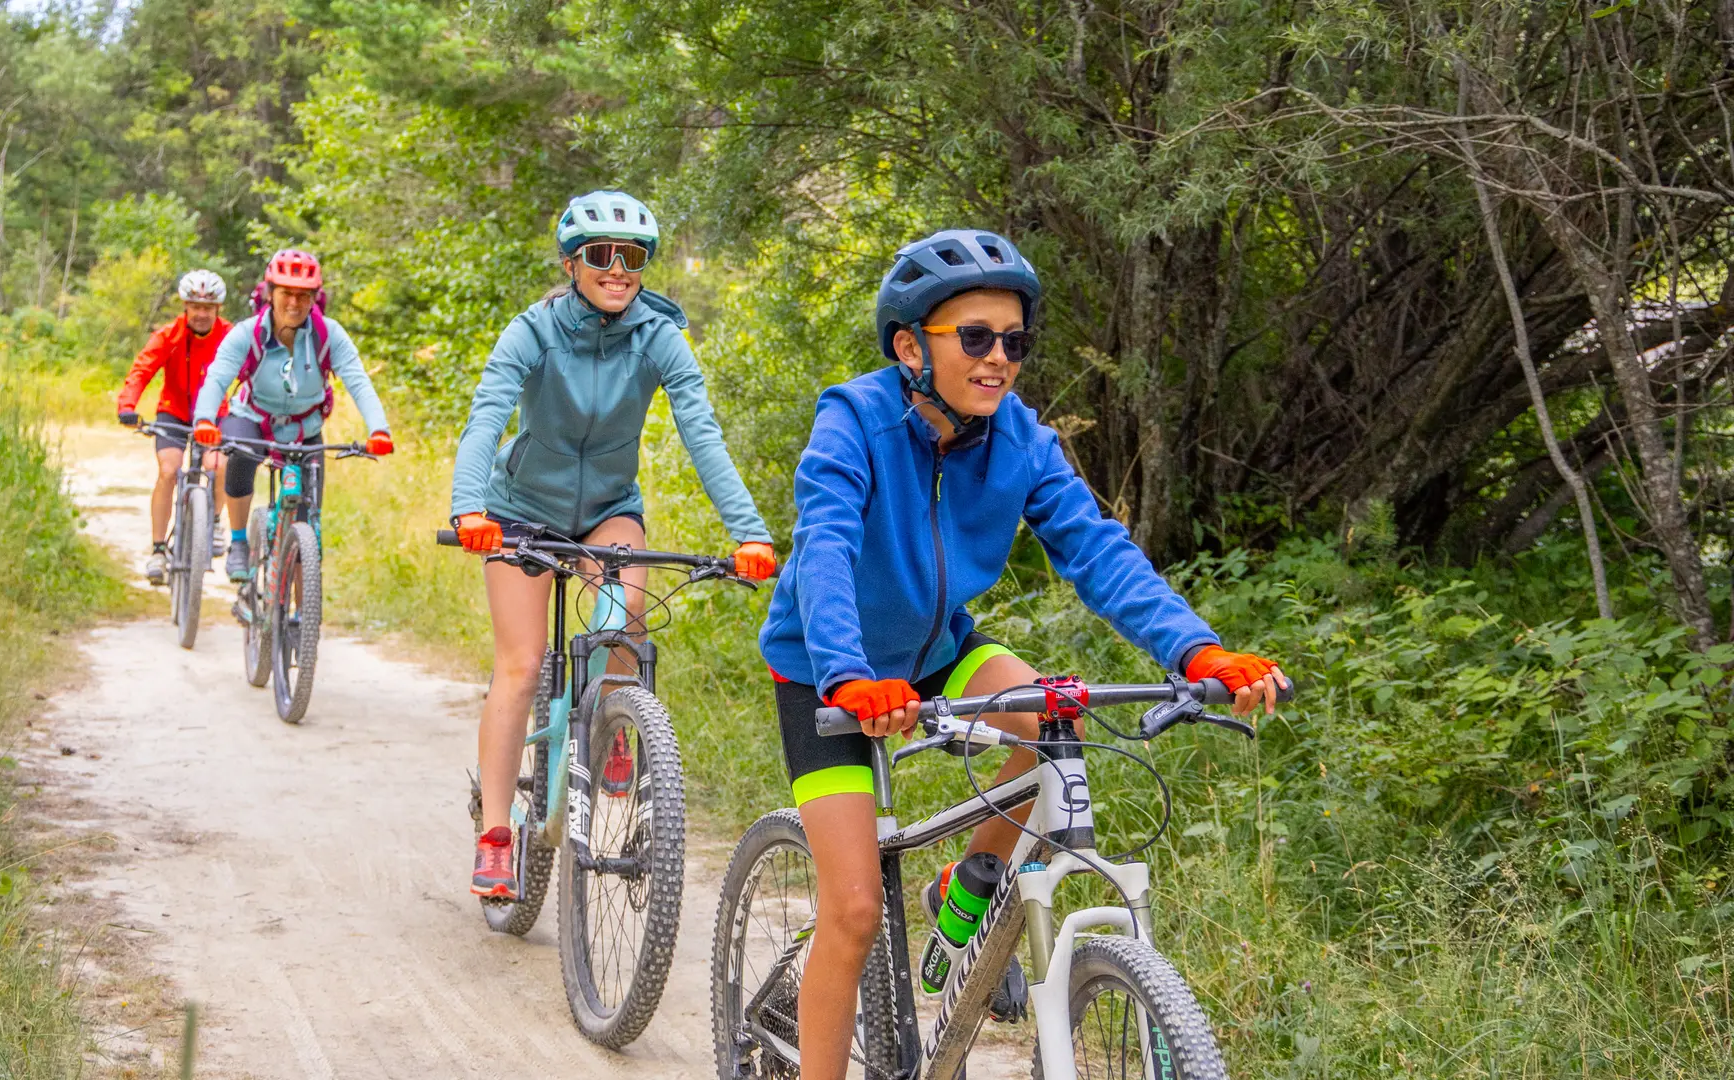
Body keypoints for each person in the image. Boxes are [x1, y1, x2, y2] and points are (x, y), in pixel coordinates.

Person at [756, 229, 1288, 1078]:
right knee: (853, 911)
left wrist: (1199, 652)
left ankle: (967, 882)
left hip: (937, 653)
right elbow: (821, 546)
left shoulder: (1023, 442)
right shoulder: (852, 419)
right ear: (909, 347)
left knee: (1050, 716)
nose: (999, 358)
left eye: (1015, 341)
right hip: (825, 670)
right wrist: (850, 674)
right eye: (975, 337)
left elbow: (1097, 551)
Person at [449, 189, 778, 899]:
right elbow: (486, 418)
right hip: (521, 512)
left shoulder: (658, 336)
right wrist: (468, 506)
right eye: (601, 255)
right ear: (572, 263)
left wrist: (749, 530)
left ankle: (619, 730)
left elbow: (702, 433)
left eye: (632, 257)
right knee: (521, 662)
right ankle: (497, 834)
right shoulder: (532, 331)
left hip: (607, 512)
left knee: (624, 615)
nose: (618, 268)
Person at [190, 249, 394, 579]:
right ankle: (239, 542)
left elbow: (359, 382)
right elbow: (218, 376)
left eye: (303, 296)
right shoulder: (248, 332)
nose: (294, 304)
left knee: (306, 526)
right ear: (270, 293)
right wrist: (203, 419)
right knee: (241, 456)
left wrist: (379, 430)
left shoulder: (329, 335)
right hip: (253, 417)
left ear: (315, 297)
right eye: (287, 293)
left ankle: (299, 621)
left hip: (305, 428)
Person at [117, 269, 233, 585]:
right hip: (174, 413)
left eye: (207, 308)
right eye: (195, 306)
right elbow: (141, 370)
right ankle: (158, 550)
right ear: (185, 305)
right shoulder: (169, 335)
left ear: (217, 309)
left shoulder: (230, 336)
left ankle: (214, 524)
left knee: (218, 464)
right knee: (169, 470)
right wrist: (127, 406)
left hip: (214, 415)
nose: (200, 313)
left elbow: (255, 367)